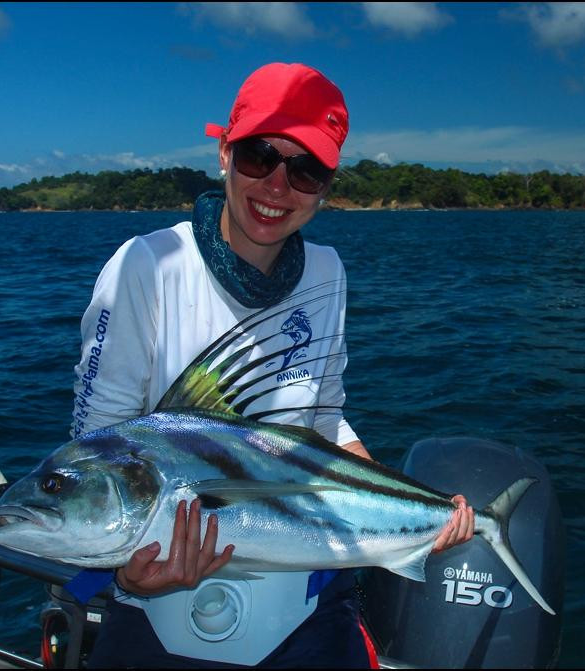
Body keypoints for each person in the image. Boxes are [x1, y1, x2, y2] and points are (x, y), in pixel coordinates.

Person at [71, 62, 475, 668]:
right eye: (261, 156)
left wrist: (405, 502)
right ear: (225, 154)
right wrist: (128, 576)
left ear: (326, 187)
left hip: (307, 601)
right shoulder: (145, 266)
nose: (278, 186)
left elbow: (324, 417)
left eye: (305, 169)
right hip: (160, 604)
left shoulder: (327, 271)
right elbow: (96, 448)